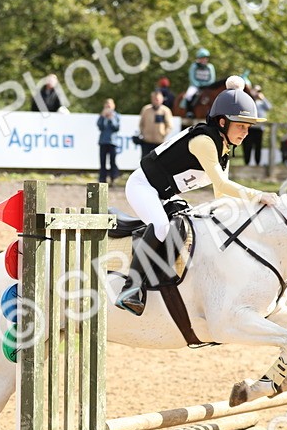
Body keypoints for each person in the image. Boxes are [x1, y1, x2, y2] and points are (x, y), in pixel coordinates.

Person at [117, 76, 275, 315]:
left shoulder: (224, 148)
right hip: (142, 186)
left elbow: (220, 194)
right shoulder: (204, 141)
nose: (246, 132)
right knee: (160, 226)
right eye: (241, 125)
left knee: (190, 224)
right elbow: (222, 183)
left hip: (165, 195)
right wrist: (257, 195)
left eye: (248, 127)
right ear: (223, 122)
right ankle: (131, 289)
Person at [137, 90, 174, 159]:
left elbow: (169, 126)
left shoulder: (165, 111)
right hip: (146, 142)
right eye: (154, 99)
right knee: (145, 161)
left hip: (159, 143)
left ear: (162, 100)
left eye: (157, 99)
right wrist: (143, 133)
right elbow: (141, 123)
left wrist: (163, 134)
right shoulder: (146, 109)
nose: (156, 101)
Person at [242, 83, 270, 166]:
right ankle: (246, 163)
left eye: (259, 91)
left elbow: (269, 107)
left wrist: (263, 98)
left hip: (259, 129)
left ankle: (258, 164)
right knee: (247, 146)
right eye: (256, 90)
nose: (258, 92)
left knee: (258, 147)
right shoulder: (249, 100)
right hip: (249, 128)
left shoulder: (262, 103)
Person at [181, 49, 216, 114]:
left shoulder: (210, 67)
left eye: (205, 58)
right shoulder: (194, 66)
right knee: (189, 95)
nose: (204, 60)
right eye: (202, 58)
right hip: (195, 86)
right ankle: (189, 111)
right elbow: (192, 78)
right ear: (199, 59)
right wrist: (199, 85)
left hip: (208, 86)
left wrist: (207, 85)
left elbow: (212, 79)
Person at [96, 98, 120, 184]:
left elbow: (116, 127)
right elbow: (99, 126)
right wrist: (103, 117)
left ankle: (113, 178)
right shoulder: (102, 116)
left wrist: (111, 119)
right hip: (103, 142)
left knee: (112, 161)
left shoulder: (116, 115)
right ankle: (102, 179)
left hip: (112, 142)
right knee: (103, 162)